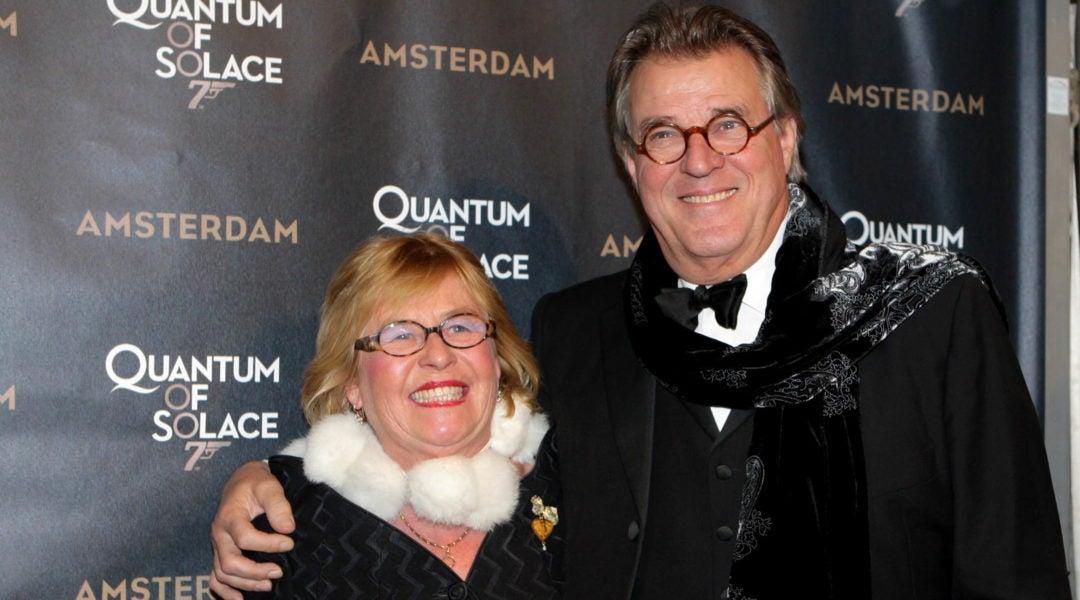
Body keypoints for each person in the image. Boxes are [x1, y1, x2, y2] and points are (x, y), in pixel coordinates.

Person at [210, 4, 1071, 599]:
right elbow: (436, 435)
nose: (699, 161)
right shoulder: (579, 329)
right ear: (632, 164)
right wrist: (266, 481)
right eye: (664, 134)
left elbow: (1014, 578)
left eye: (728, 124)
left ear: (788, 139)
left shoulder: (928, 313)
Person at [223, 233, 563, 599]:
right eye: (399, 335)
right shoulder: (285, 533)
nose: (438, 354)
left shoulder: (575, 484)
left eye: (460, 327)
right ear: (352, 383)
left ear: (497, 362)